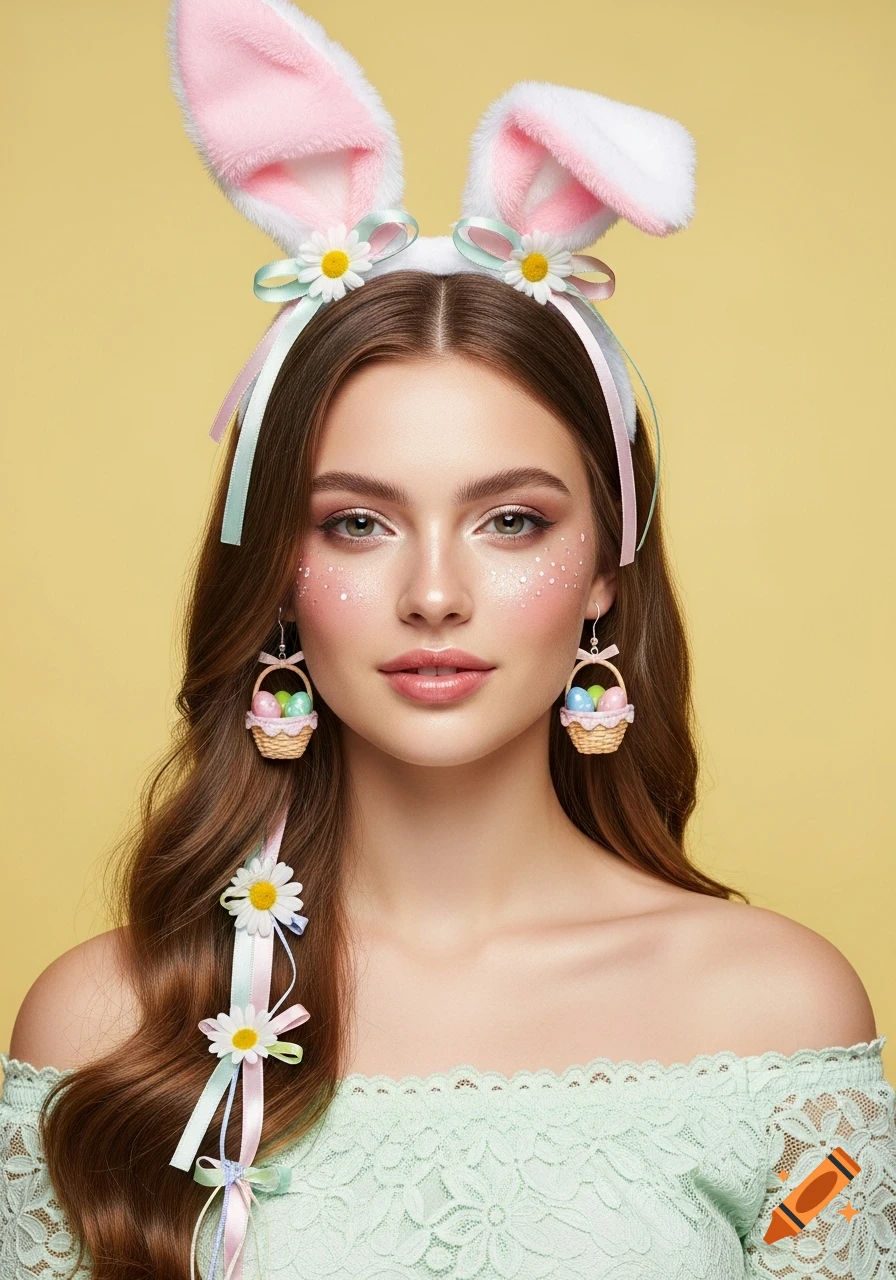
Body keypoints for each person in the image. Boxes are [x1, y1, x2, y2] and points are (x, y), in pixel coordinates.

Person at [3, 2, 894, 1278]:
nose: (434, 591)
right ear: (278, 576)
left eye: (510, 520)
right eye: (359, 521)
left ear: (602, 566)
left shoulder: (776, 1013)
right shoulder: (105, 1020)